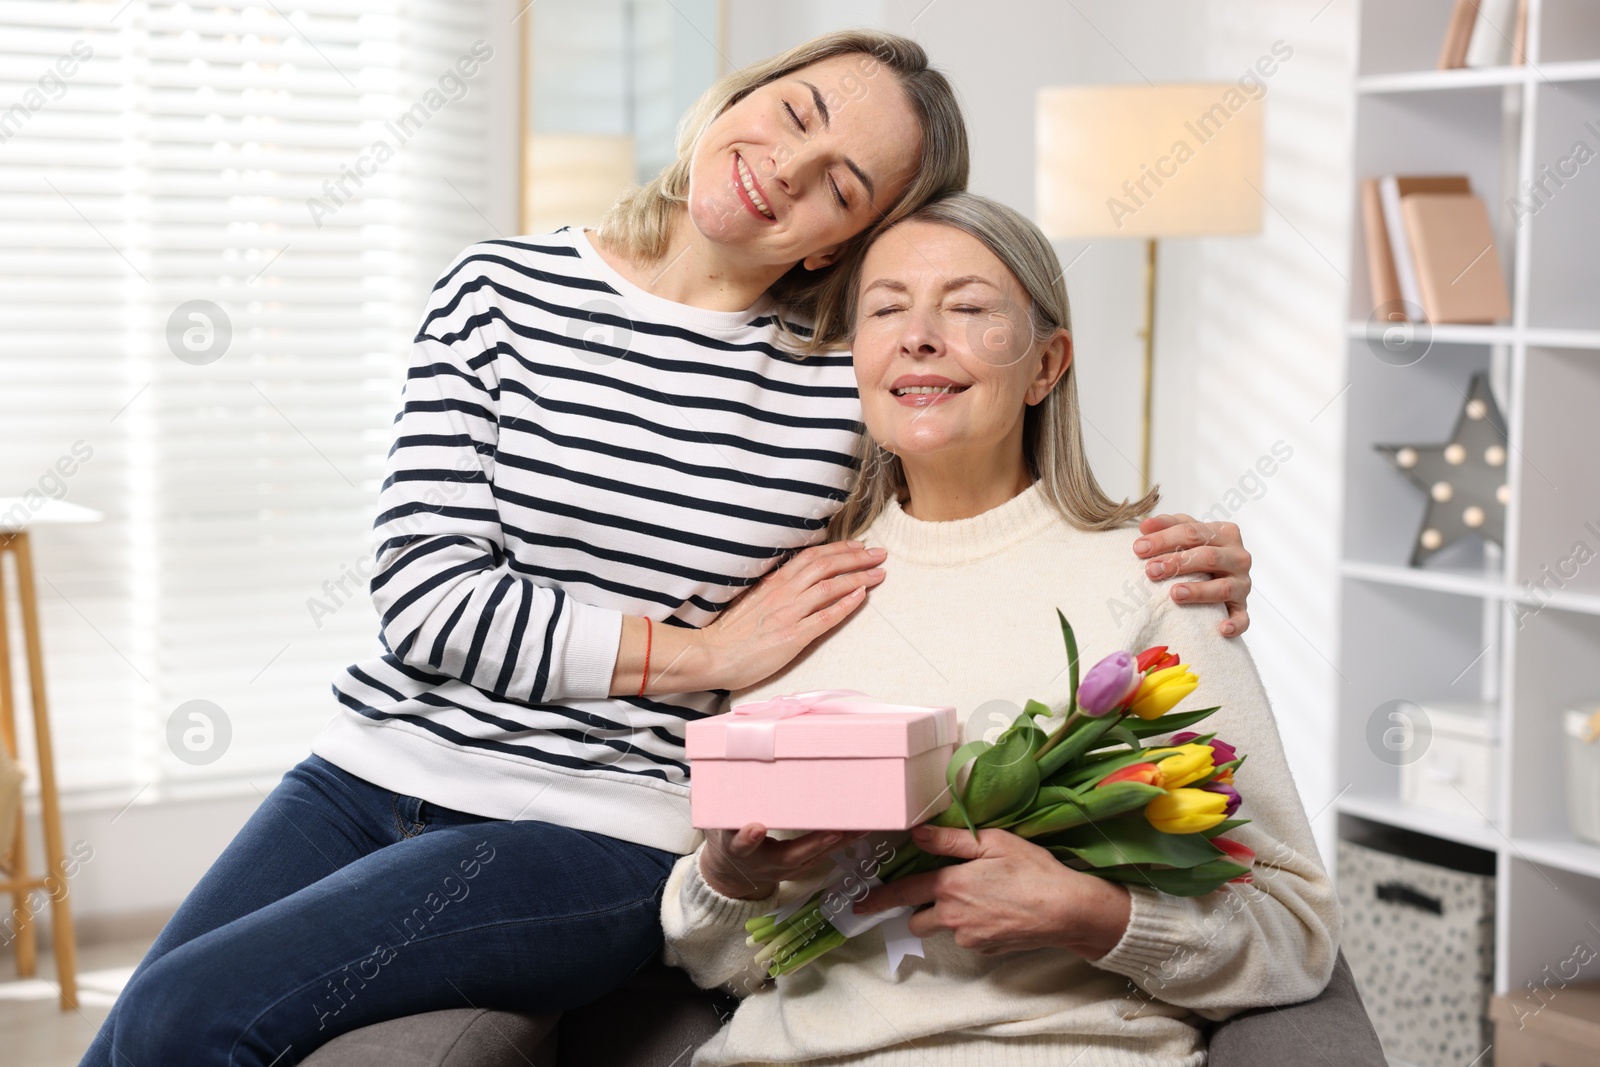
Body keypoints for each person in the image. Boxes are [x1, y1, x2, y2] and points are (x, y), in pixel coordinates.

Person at [81, 32, 1255, 1067]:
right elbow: (426, 602)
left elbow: (987, 463)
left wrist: (1176, 551)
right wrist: (697, 654)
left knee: (190, 1012)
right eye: (795, 115)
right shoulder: (497, 292)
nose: (786, 168)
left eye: (840, 184)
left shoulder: (836, 378)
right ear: (747, 91)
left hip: (599, 822)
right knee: (125, 1034)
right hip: (362, 771)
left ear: (844, 238)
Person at [662, 193, 1337, 1067]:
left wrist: (1096, 916)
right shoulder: (794, 599)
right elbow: (707, 955)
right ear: (858, 354)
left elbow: (1297, 932)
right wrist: (731, 880)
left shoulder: (1158, 581)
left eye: (970, 307)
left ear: (1046, 364)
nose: (920, 334)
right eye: (886, 307)